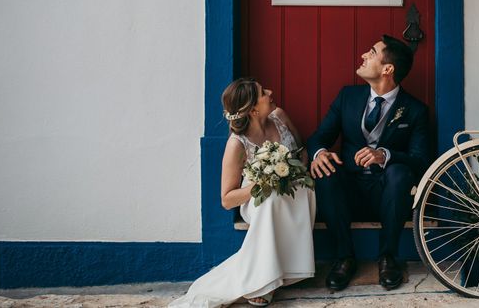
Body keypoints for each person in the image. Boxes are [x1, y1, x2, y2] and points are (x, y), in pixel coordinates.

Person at [170, 79, 316, 308]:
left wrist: (297, 169)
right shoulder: (237, 144)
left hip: (294, 187)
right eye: (263, 92)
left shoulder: (279, 117)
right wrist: (266, 183)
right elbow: (227, 199)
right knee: (271, 200)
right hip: (256, 199)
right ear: (253, 109)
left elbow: (302, 149)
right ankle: (264, 280)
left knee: (299, 192)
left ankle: (281, 271)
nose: (270, 92)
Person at [307, 35, 430, 291]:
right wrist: (319, 153)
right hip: (349, 192)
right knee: (326, 171)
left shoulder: (416, 110)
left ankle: (388, 257)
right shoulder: (347, 97)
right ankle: (344, 257)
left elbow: (421, 161)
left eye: (372, 52)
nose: (364, 55)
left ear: (388, 69)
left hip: (389, 196)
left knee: (399, 173)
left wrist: (385, 155)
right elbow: (320, 137)